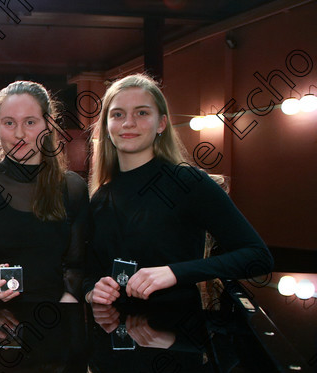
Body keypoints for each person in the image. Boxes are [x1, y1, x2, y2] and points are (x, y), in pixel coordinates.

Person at [84, 73, 273, 343]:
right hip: (113, 350)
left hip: (174, 344)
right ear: (106, 126)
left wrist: (175, 272)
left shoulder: (188, 182)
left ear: (161, 123)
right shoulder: (101, 196)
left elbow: (257, 257)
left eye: (141, 112)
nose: (128, 123)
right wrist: (93, 288)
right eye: (117, 114)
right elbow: (90, 268)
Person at [0, 81, 87, 303]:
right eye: (9, 123)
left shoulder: (72, 187)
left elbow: (79, 265)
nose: (19, 133)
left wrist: (67, 302)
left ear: (48, 124)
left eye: (30, 122)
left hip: (53, 322)